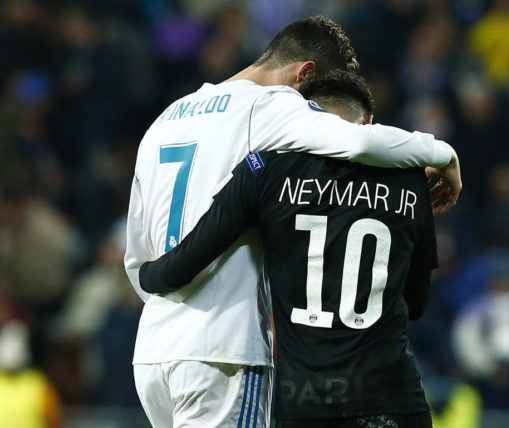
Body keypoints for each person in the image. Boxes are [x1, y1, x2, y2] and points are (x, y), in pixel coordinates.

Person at [125, 16, 461, 428]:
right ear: (304, 74)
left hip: (154, 349)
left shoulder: (166, 118)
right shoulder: (271, 106)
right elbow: (358, 141)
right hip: (223, 349)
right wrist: (442, 153)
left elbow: (136, 258)